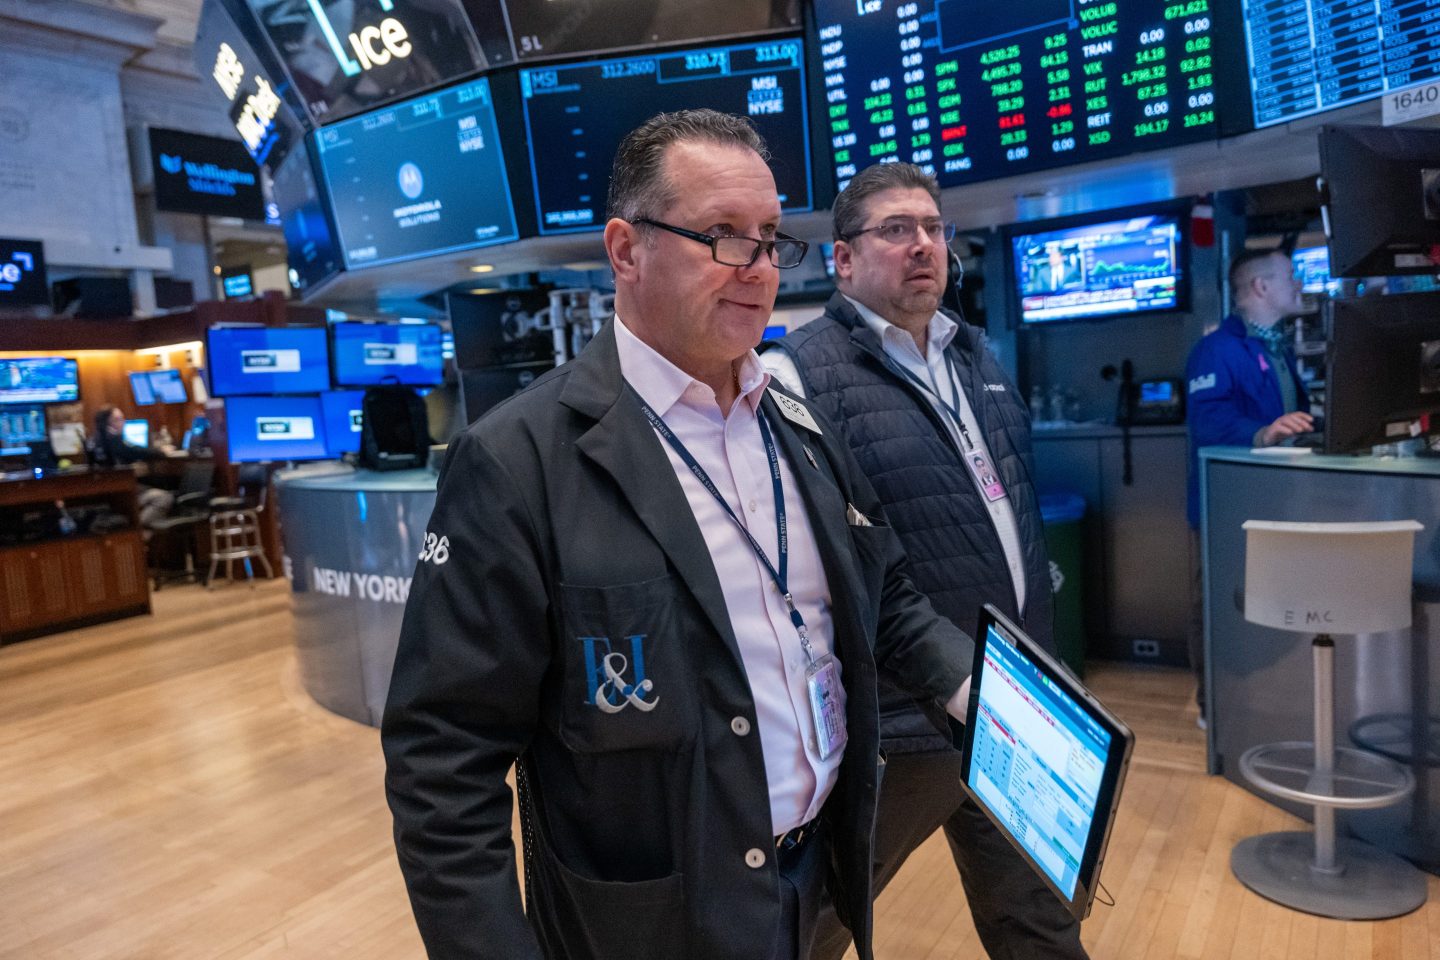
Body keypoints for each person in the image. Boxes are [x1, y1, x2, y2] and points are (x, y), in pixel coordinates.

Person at [381, 110, 976, 960]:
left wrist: (983, 697)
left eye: (770, 238)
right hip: (645, 924)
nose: (759, 268)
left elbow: (886, 600)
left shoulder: (796, 421)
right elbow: (444, 764)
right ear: (626, 250)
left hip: (815, 885)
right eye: (724, 237)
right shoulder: (518, 461)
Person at [761, 163, 1087, 959]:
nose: (923, 246)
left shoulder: (977, 355)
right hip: (903, 722)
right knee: (819, 920)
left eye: (934, 229)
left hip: (1010, 702)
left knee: (1040, 918)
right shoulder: (794, 375)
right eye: (896, 230)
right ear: (842, 260)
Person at [1184, 247, 1312, 721]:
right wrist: (1262, 433)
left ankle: (1266, 694)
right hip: (1223, 506)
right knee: (1218, 603)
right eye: (1289, 276)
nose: (1298, 284)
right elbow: (1209, 422)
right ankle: (1214, 708)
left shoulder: (1274, 346)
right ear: (1261, 287)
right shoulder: (1216, 349)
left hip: (1270, 500)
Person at [88, 405, 173, 528]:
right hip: (123, 492)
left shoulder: (95, 440)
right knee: (164, 497)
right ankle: (139, 532)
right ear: (108, 423)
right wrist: (161, 452)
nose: (123, 423)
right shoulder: (112, 438)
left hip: (111, 492)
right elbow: (134, 451)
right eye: (118, 419)